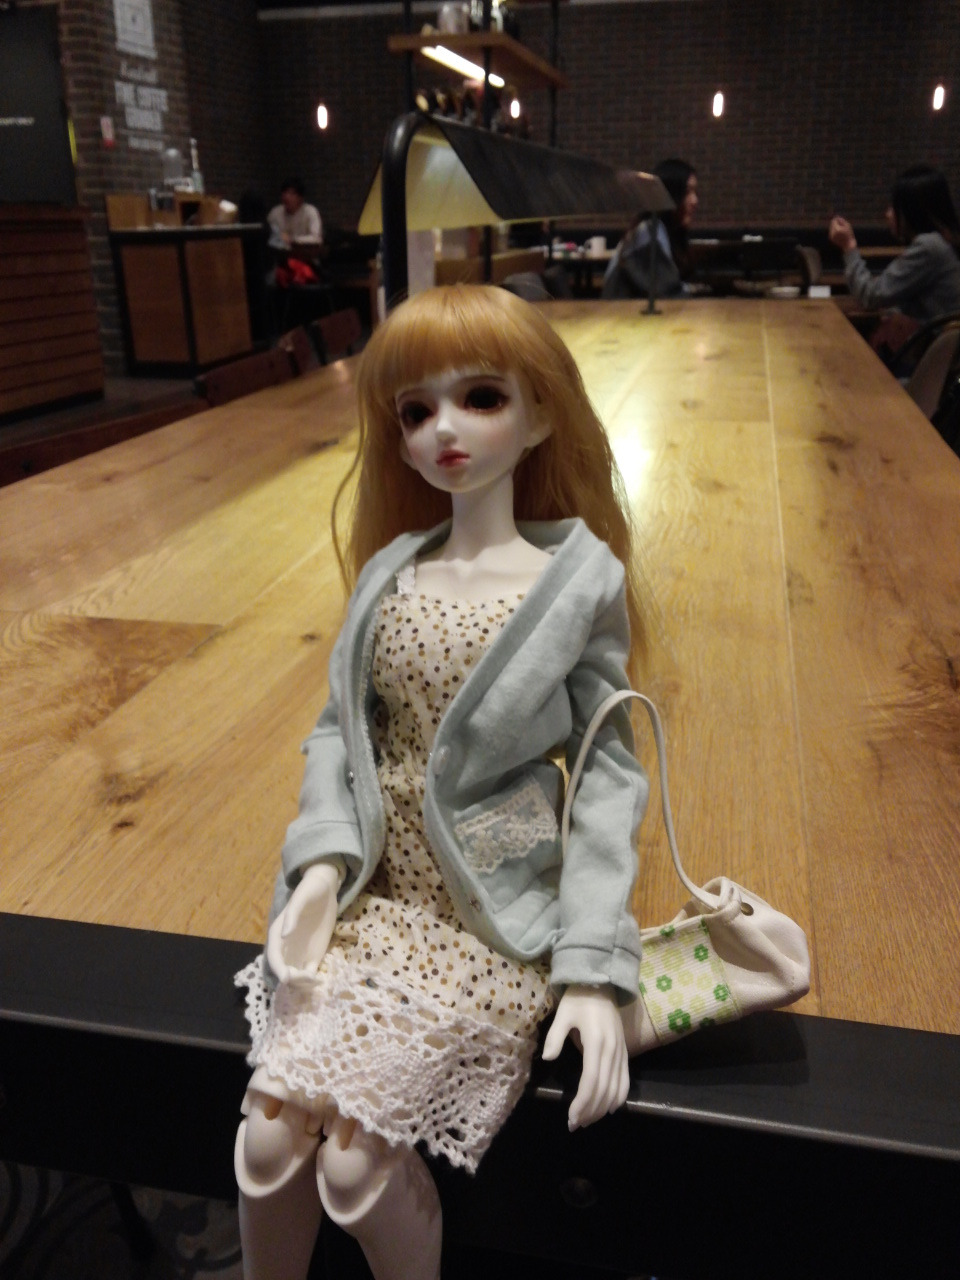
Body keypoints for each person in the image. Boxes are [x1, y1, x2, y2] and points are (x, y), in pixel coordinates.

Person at [233, 284, 651, 1280]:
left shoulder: (576, 583)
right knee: (265, 1142)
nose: (444, 430)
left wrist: (591, 963)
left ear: (540, 415)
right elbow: (340, 730)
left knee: (353, 1166)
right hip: (372, 901)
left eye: (481, 397)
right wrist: (323, 866)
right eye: (416, 411)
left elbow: (606, 771)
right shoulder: (391, 571)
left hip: (488, 915)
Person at [829, 165, 960, 322]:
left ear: (912, 210)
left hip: (934, 337)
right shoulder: (944, 241)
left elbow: (869, 296)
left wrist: (848, 246)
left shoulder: (929, 246)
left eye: (894, 206)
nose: (888, 214)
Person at [602, 157, 699, 300]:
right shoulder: (648, 233)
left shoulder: (661, 230)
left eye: (695, 192)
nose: (695, 201)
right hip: (617, 313)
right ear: (670, 194)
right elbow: (668, 295)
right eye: (687, 192)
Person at [268, 177, 323, 250]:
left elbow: (316, 238)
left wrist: (293, 239)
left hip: (304, 253)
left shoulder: (310, 211)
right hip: (281, 253)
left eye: (292, 194)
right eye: (285, 193)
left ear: (301, 198)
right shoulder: (275, 213)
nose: (287, 197)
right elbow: (270, 236)